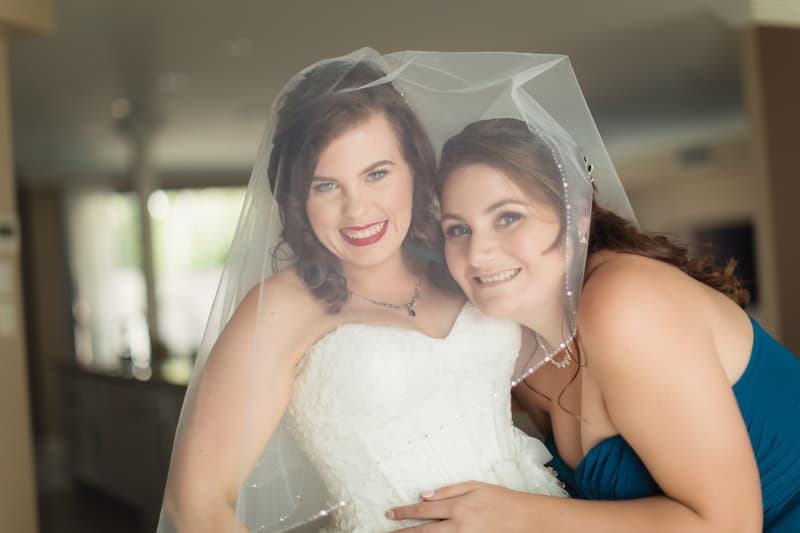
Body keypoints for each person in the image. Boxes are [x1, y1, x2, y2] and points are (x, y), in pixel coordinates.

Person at [157, 50, 568, 533]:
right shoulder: (280, 309)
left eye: (376, 174)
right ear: (297, 197)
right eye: (326, 186)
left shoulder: (462, 259)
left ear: (415, 169)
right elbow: (193, 504)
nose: (357, 209)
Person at [387, 116, 800, 532]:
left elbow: (731, 524)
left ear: (577, 217)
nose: (478, 253)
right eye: (458, 229)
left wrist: (517, 515)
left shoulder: (626, 303)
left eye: (508, 217)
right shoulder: (517, 346)